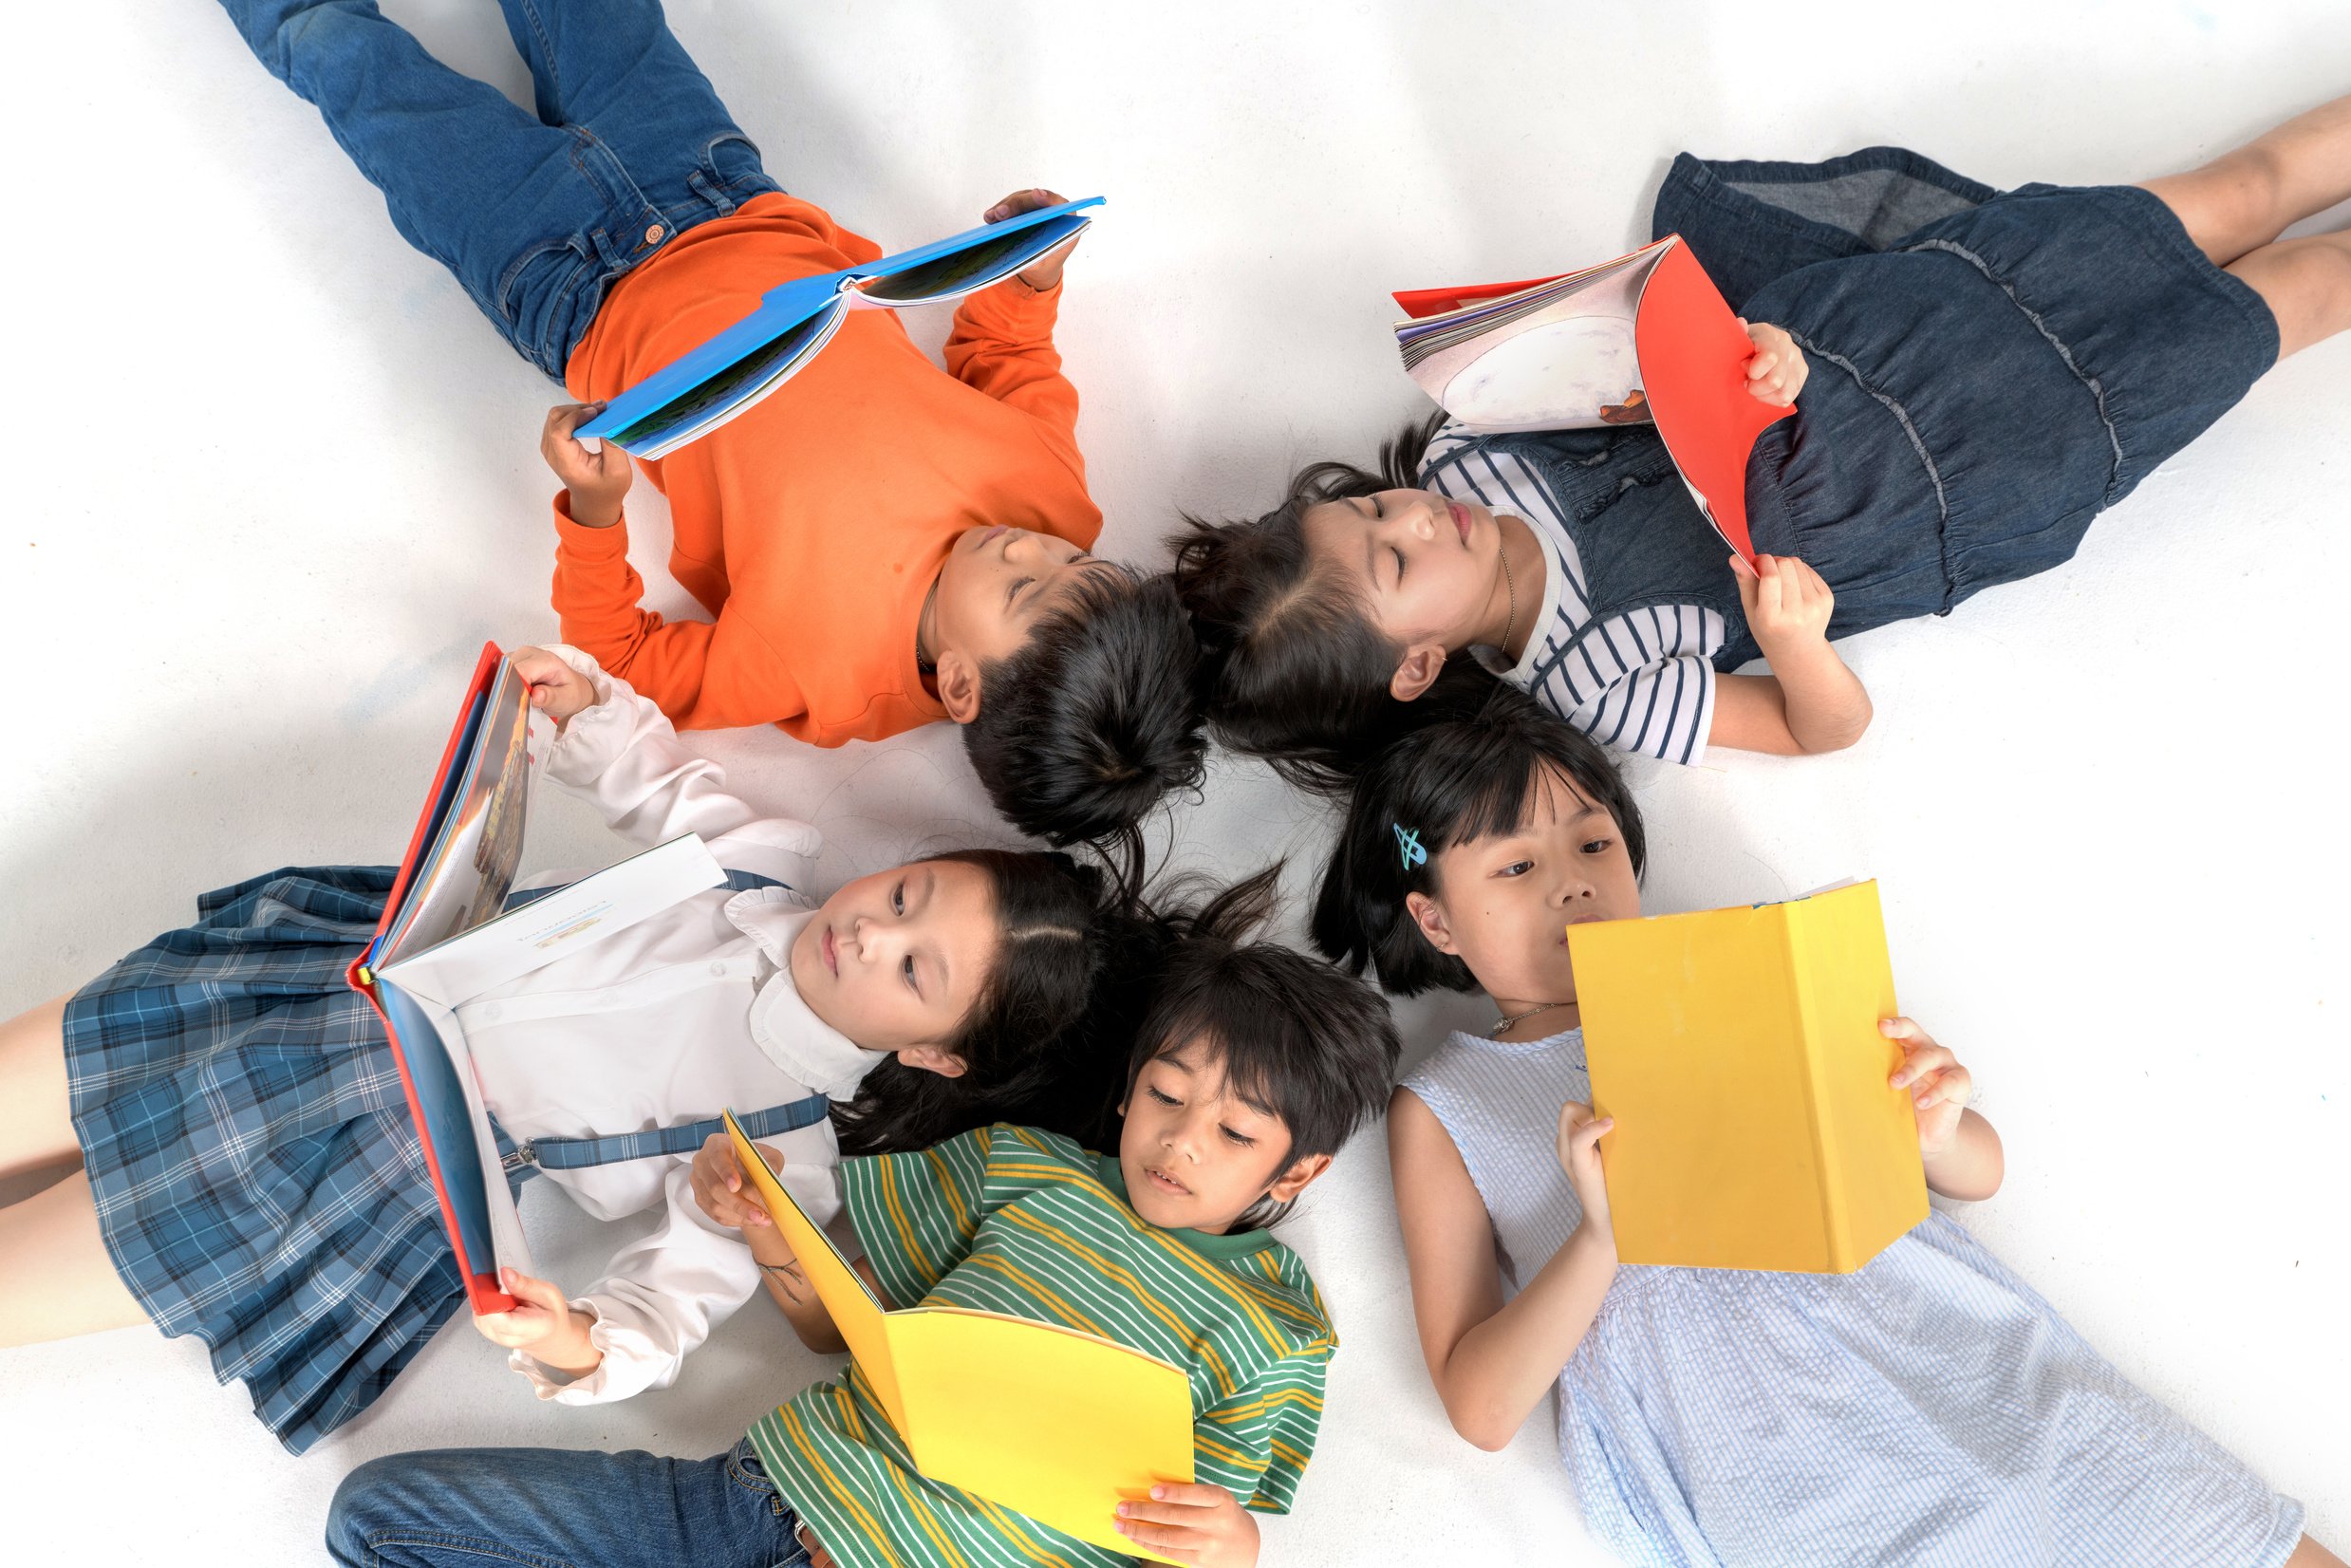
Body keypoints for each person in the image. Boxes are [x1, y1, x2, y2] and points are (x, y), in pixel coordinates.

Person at [0, 644, 1143, 1453]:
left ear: (937, 1057)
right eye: (905, 894)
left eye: (913, 969)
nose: (870, 929)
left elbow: (668, 1308)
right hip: (323, 989)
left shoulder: (778, 1154)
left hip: (355, 1171)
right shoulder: (758, 857)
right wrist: (584, 702)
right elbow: (642, 770)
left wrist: (576, 1342)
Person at [1308, 681, 2341, 1568]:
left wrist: (1933, 1117)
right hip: (1785, 1474)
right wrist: (1600, 1236)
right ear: (1434, 919)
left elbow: (1973, 1173)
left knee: (2210, 1532)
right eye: (1514, 866)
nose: (1573, 875)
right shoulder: (1449, 1103)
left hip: (1972, 1372)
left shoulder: (1743, 968)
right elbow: (1482, 1407)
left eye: (1591, 839)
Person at [217, 0, 1204, 854]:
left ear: (955, 684)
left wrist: (594, 509)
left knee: (344, 58)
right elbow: (1009, 365)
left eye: (1024, 588)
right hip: (713, 182)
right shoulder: (1055, 502)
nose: (1032, 546)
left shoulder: (816, 672)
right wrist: (1028, 278)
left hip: (563, 277)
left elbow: (632, 661)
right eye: (1076, 562)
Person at [1173, 94, 2351, 782]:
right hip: (1969, 469)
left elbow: (1658, 347)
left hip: (1885, 336)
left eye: (1372, 509)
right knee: (2285, 304)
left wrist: (1759, 349)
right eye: (1393, 560)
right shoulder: (1597, 682)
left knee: (2237, 189)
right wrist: (1795, 642)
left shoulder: (1465, 447)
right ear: (1414, 665)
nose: (1413, 515)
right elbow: (1815, 729)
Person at [319, 868, 1401, 1568]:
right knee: (378, 1519)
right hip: (749, 1503)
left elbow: (1210, 1518)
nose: (1178, 1142)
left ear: (1294, 1170)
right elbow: (844, 1330)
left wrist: (1234, 1547)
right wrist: (778, 1244)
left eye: (1232, 1134)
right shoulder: (1016, 1168)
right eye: (1166, 1096)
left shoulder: (1275, 1319)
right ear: (1128, 1087)